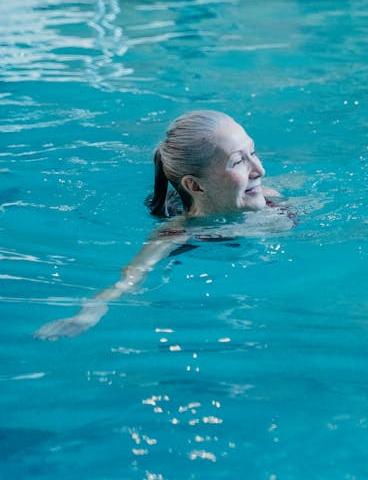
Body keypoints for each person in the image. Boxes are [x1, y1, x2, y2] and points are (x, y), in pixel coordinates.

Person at [35, 110, 282, 339]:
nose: (259, 170)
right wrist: (88, 315)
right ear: (194, 186)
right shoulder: (178, 233)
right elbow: (131, 277)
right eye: (238, 162)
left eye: (254, 152)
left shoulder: (274, 199)